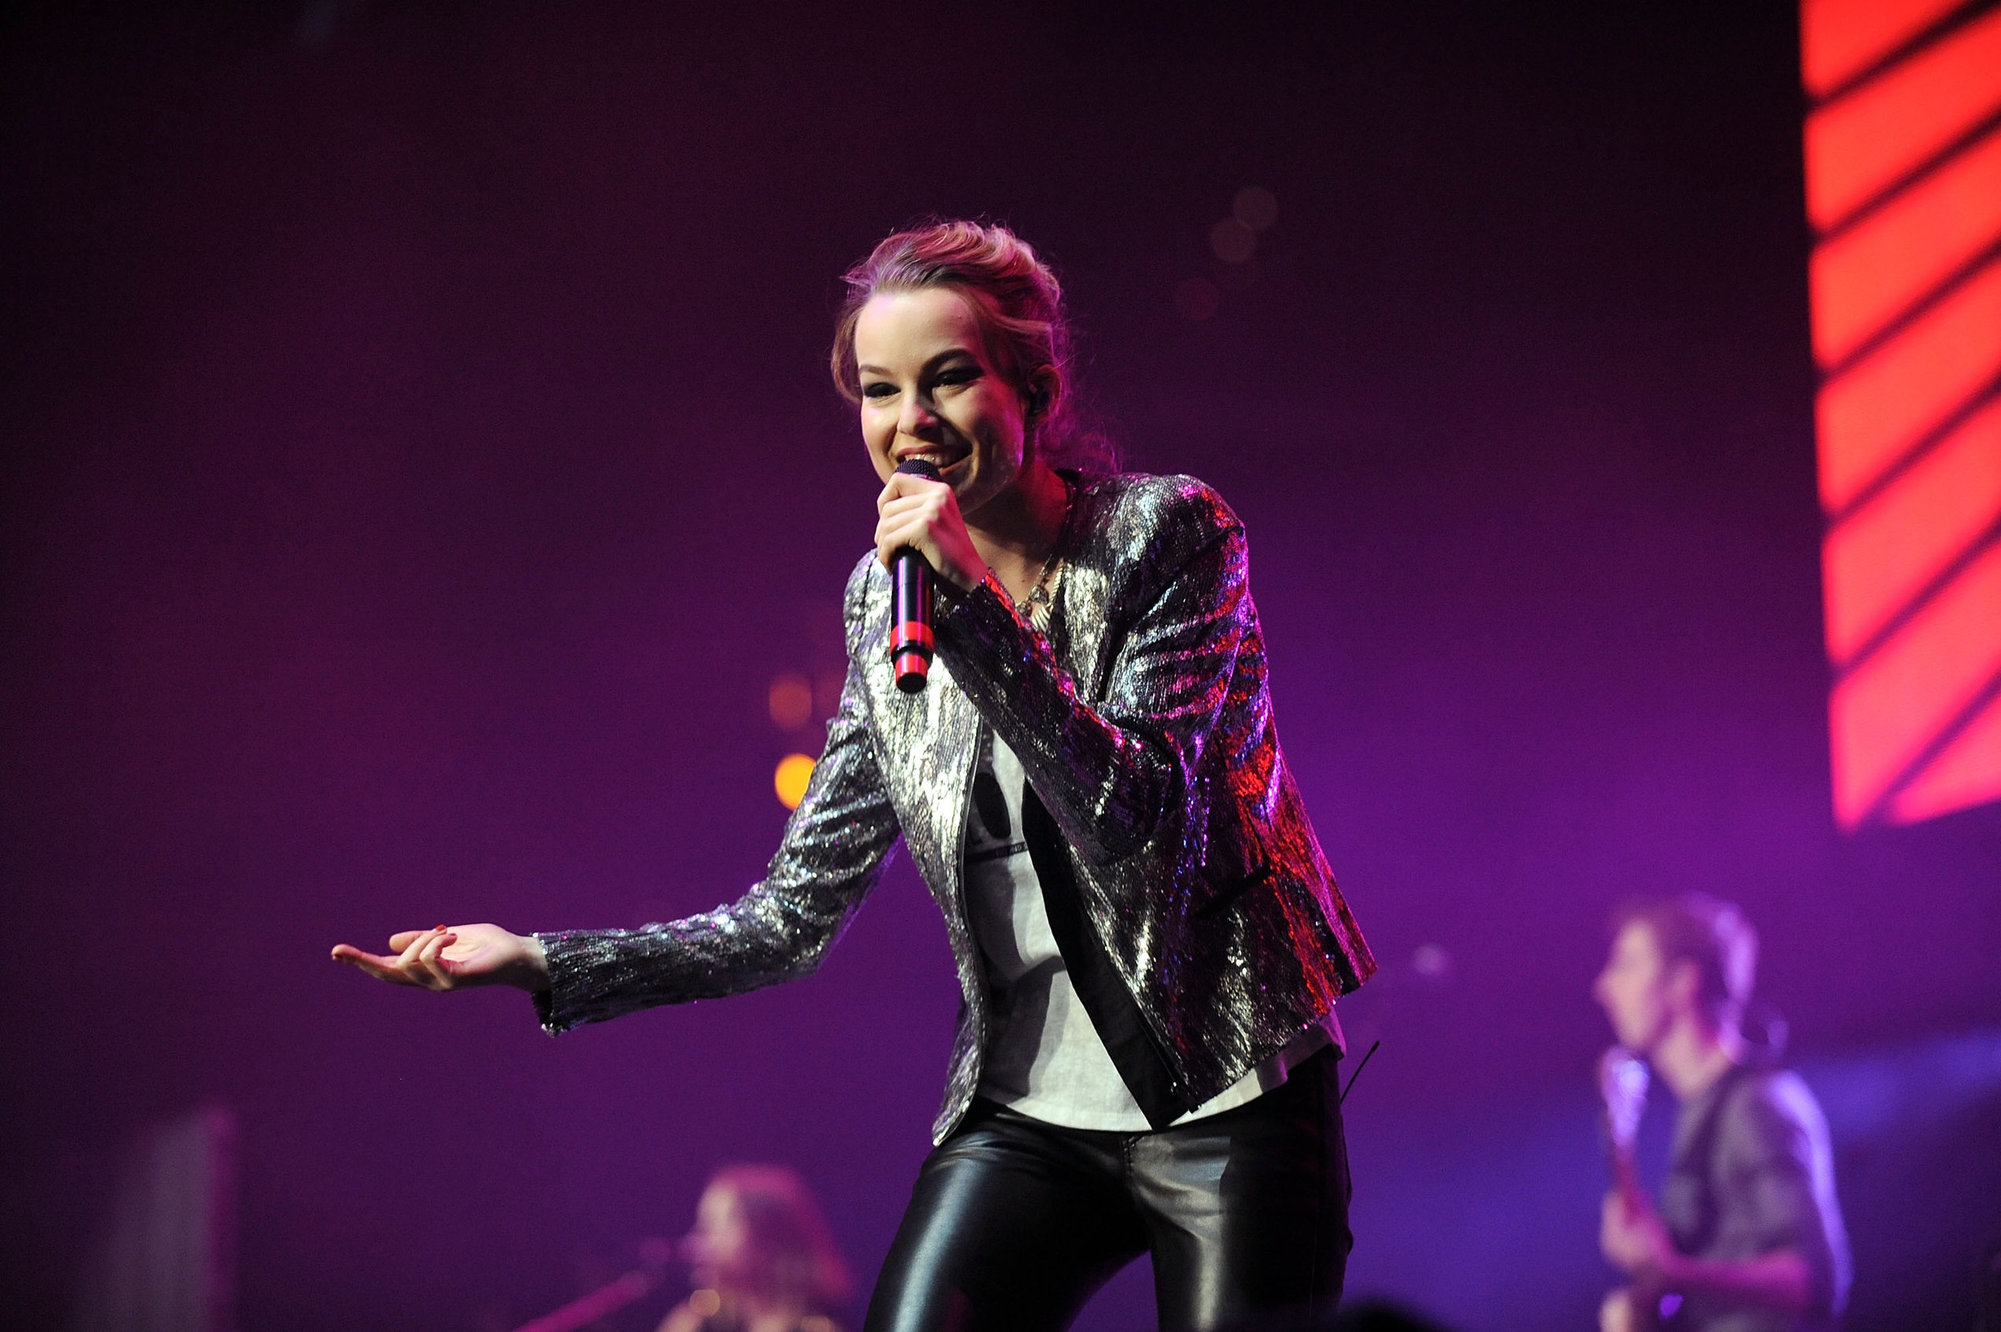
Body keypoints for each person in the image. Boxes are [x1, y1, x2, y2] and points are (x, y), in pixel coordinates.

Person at [333, 218, 1375, 1332]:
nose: (910, 422)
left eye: (950, 379)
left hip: (1227, 1087)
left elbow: (1142, 822)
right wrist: (542, 961)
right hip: (1030, 1110)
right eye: (881, 392)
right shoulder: (882, 601)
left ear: (1033, 386)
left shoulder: (1167, 534)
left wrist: (975, 608)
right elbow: (788, 919)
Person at [1592, 895, 1851, 1332]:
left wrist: (1673, 1273)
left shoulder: (1756, 1103)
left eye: (1627, 965)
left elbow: (1813, 1280)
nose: (1604, 987)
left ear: (1682, 981)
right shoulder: (1702, 1109)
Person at [661, 1164, 851, 1332]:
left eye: (709, 1229)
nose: (694, 1245)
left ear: (767, 1238)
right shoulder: (698, 1321)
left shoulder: (822, 1326)